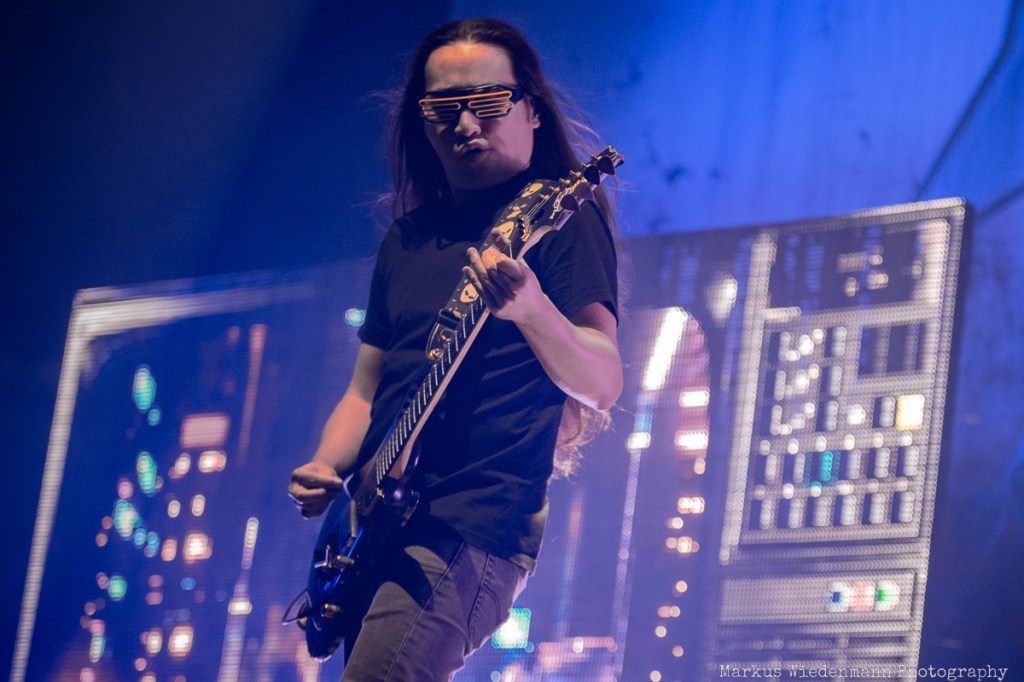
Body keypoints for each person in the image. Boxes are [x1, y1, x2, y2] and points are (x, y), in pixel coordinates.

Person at [287, 17, 622, 680]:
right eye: (443, 108)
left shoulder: (558, 221)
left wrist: (532, 310)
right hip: (372, 527)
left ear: (531, 110)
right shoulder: (407, 239)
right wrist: (326, 463)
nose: (465, 123)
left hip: (469, 529)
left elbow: (603, 381)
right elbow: (365, 392)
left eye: (488, 101)